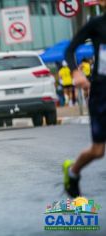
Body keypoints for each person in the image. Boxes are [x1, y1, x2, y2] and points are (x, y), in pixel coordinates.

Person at [63, 0, 106, 198]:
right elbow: (70, 50)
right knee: (98, 151)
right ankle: (72, 172)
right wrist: (76, 73)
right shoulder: (96, 24)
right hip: (101, 92)